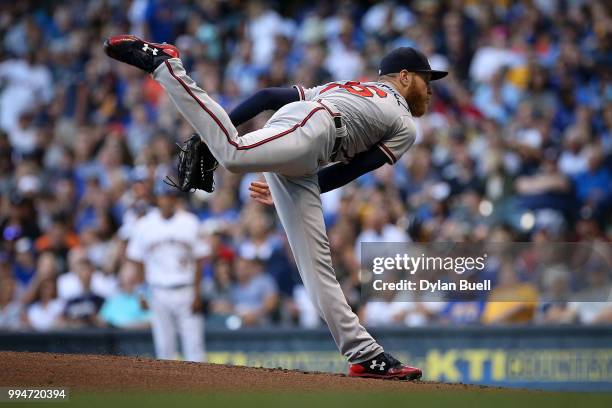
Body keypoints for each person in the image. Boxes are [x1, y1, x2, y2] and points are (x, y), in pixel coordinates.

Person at [105, 35, 448, 380]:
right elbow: (353, 169)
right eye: (426, 79)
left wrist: (221, 135)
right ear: (404, 76)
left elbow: (266, 97)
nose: (430, 89)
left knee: (316, 267)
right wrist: (214, 139)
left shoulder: (345, 86)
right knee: (234, 155)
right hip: (315, 127)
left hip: (306, 147)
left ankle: (365, 355)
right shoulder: (404, 122)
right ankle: (168, 65)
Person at [126, 182, 208, 362]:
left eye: (171, 196)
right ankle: (168, 389)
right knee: (164, 347)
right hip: (158, 290)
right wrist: (141, 292)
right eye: (164, 196)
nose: (167, 200)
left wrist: (197, 294)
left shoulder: (189, 222)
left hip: (185, 289)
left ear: (175, 199)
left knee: (194, 347)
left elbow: (200, 259)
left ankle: (199, 388)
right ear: (157, 199)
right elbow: (137, 261)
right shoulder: (144, 224)